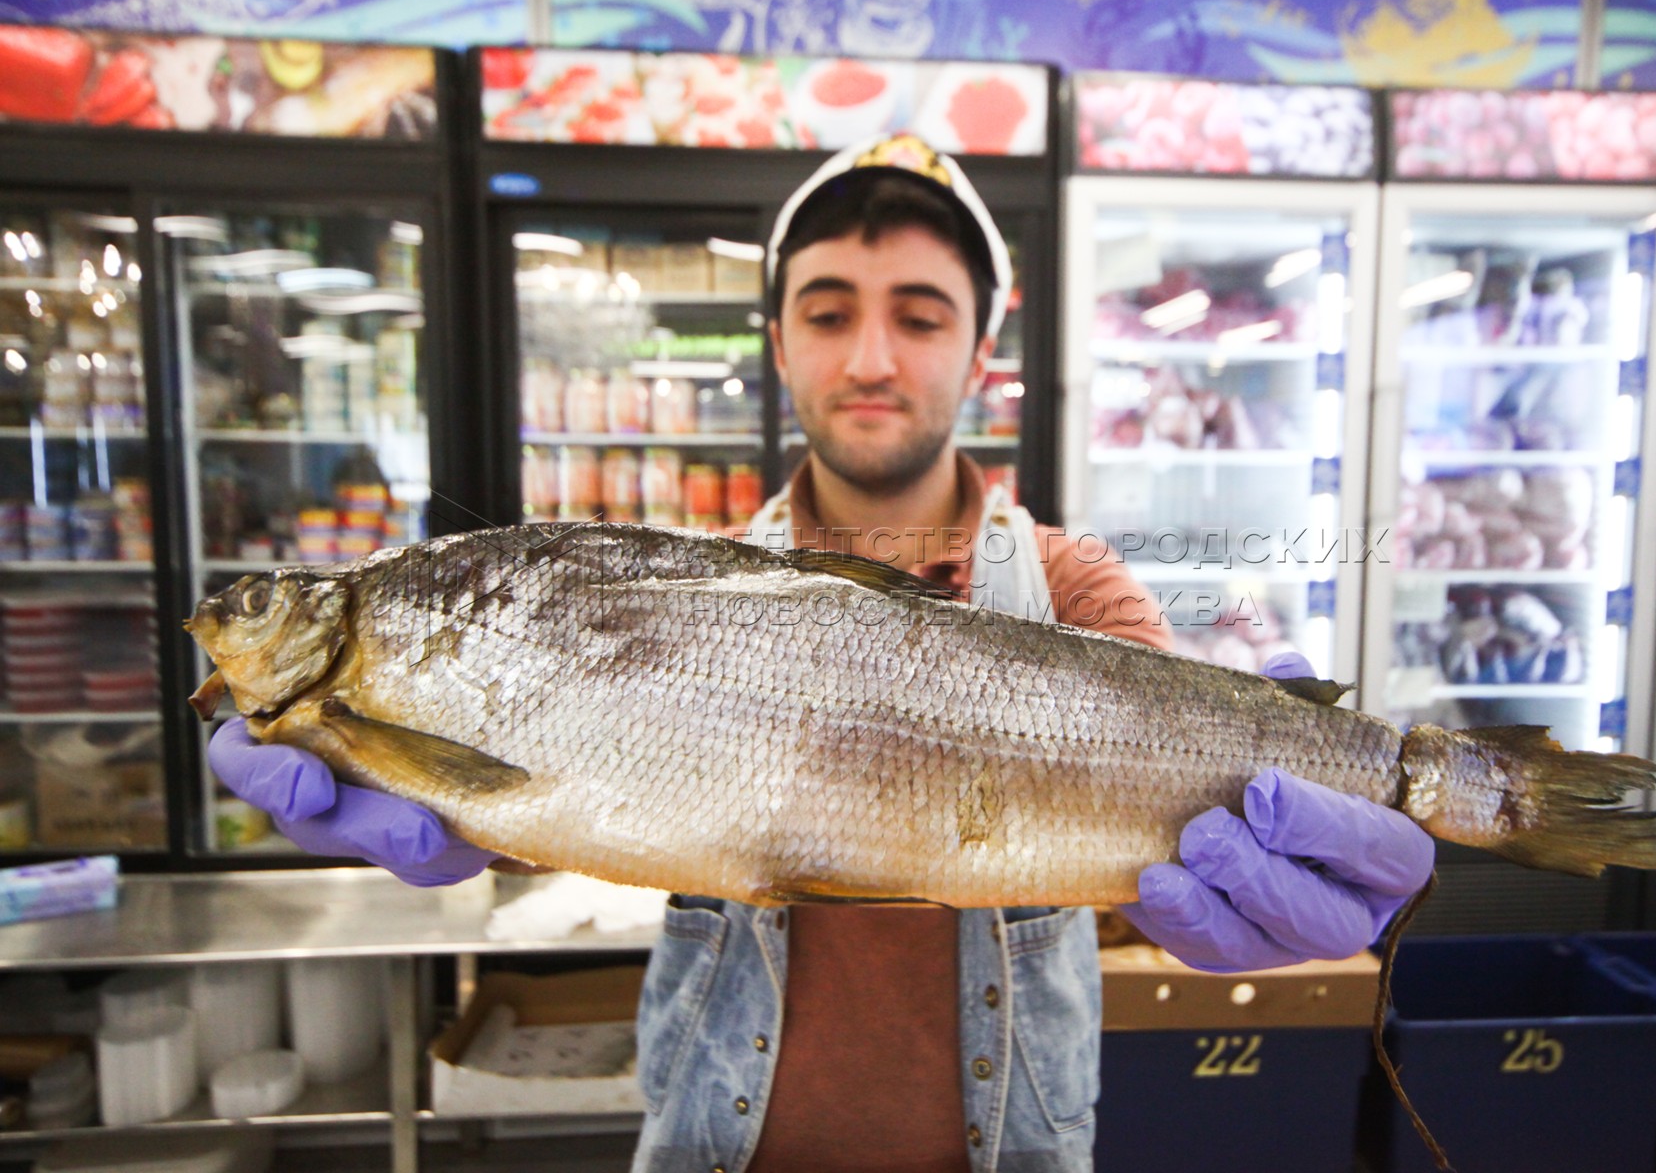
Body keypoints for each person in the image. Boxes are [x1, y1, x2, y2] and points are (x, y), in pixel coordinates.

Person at [208, 135, 1436, 1172]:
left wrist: (1257, 867)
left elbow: (1171, 824)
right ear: (781, 343)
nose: (868, 358)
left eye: (918, 313)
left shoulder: (1071, 587)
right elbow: (543, 776)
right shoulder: (667, 585)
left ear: (979, 348)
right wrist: (379, 759)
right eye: (829, 310)